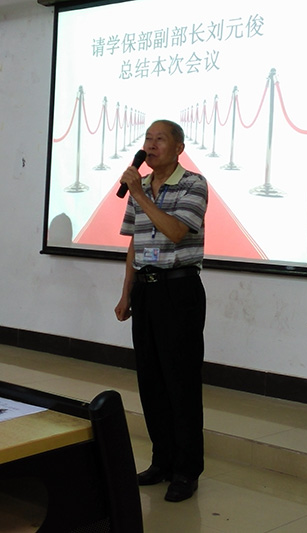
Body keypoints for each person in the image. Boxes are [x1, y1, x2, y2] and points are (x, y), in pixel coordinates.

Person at [114, 119, 208, 503]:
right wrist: (126, 293)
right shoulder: (141, 187)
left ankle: (186, 470)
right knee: (151, 382)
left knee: (180, 383)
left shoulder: (193, 184)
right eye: (147, 139)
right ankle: (162, 461)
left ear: (178, 148)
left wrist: (140, 194)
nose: (150, 146)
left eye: (160, 139)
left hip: (179, 291)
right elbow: (135, 245)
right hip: (146, 292)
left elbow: (176, 231)